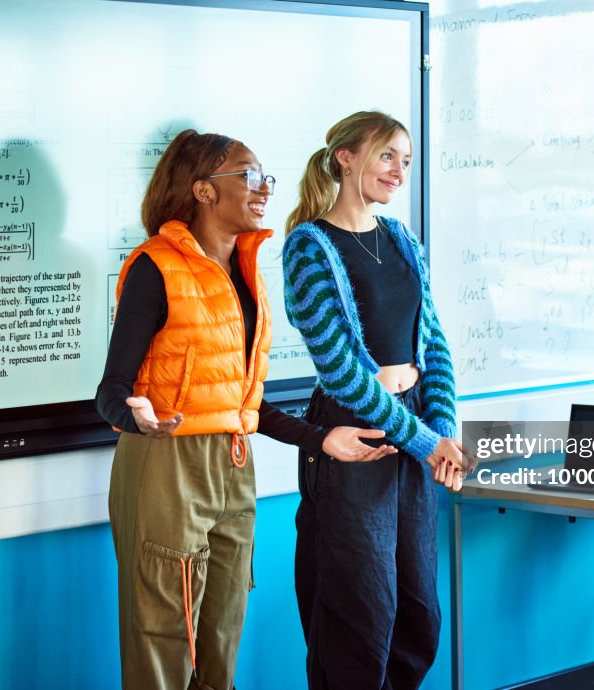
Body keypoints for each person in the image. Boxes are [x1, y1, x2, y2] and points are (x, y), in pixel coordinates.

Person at [95, 129, 396, 690]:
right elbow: (111, 389)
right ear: (204, 190)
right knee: (165, 637)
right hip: (167, 462)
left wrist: (320, 438)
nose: (263, 189)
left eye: (265, 177)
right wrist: (134, 413)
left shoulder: (247, 270)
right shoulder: (155, 267)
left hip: (234, 466)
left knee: (223, 632)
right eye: (249, 176)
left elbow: (242, 401)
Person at [283, 111, 470, 690]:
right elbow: (341, 373)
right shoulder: (309, 246)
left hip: (414, 430)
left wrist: (439, 430)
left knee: (418, 612)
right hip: (353, 436)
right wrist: (425, 440)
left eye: (406, 160)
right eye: (387, 155)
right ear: (345, 157)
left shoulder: (403, 240)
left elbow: (433, 341)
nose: (398, 170)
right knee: (360, 613)